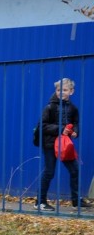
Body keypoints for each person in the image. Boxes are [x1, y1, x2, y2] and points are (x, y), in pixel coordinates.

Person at [36, 78, 90, 210]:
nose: (61, 92)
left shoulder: (73, 108)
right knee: (49, 172)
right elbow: (42, 126)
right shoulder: (49, 107)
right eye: (58, 90)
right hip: (50, 144)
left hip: (65, 145)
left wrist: (75, 131)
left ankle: (76, 201)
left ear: (71, 91)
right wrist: (61, 129)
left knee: (75, 170)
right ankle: (40, 202)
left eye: (65, 90)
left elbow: (75, 123)